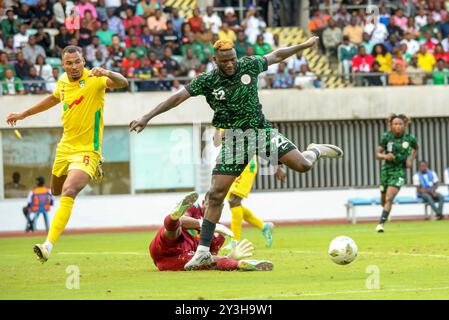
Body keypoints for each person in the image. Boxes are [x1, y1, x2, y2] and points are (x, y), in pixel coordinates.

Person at [129, 37, 344, 270]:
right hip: (234, 140)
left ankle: (314, 150)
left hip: (260, 131)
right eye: (225, 61)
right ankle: (202, 251)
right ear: (215, 60)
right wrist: (146, 117)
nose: (230, 64)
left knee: (303, 165)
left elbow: (277, 55)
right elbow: (177, 98)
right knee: (216, 193)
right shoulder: (207, 80)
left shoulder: (249, 65)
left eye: (232, 59)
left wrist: (302, 47)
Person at [5, 45, 129, 263]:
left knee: (69, 190)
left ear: (83, 60)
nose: (74, 66)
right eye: (69, 63)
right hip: (64, 147)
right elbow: (53, 99)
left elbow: (123, 83)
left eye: (78, 61)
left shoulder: (94, 78)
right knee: (56, 191)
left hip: (87, 149)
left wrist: (107, 72)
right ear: (62, 65)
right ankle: (92, 170)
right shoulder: (62, 81)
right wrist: (24, 114)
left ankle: (47, 246)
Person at [150, 191, 273, 271]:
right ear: (203, 203)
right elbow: (182, 220)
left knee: (206, 262)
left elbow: (211, 258)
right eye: (210, 204)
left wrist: (230, 256)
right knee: (174, 230)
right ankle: (172, 217)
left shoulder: (219, 233)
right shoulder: (195, 208)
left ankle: (240, 264)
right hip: (166, 246)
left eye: (218, 207)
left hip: (180, 258)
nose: (213, 209)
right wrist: (203, 224)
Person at [213, 129, 286, 249]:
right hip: (231, 163)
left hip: (247, 165)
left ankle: (235, 241)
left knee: (234, 200)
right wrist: (217, 127)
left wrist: (277, 165)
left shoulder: (246, 115)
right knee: (235, 204)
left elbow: (265, 141)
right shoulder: (224, 117)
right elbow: (217, 142)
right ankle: (263, 226)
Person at [376, 114, 418, 233]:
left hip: (399, 170)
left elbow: (415, 148)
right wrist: (385, 156)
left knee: (389, 197)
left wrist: (410, 159)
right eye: (395, 124)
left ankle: (380, 224)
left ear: (404, 125)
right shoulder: (386, 137)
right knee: (383, 198)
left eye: (400, 124)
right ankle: (386, 211)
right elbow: (377, 154)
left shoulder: (410, 138)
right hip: (387, 170)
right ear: (391, 125)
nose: (398, 126)